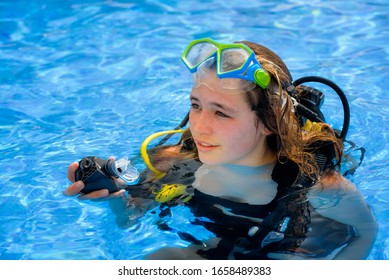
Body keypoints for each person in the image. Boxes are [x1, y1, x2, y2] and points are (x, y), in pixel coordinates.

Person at [65, 38, 377, 259]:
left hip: (292, 249)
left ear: (269, 122)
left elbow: (365, 233)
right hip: (220, 245)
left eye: (222, 112)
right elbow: (129, 219)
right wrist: (114, 197)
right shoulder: (175, 164)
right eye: (196, 105)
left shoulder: (315, 186)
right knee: (162, 259)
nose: (200, 126)